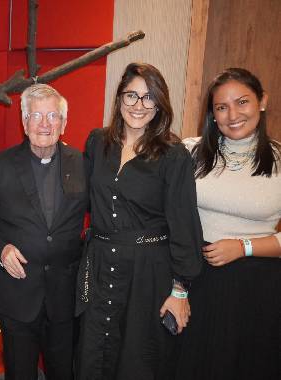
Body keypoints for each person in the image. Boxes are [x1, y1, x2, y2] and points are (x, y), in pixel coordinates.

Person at [75, 62, 203, 380]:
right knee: (92, 355)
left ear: (160, 104)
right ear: (119, 99)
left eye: (148, 98)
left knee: (138, 361)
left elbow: (184, 225)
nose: (138, 105)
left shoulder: (174, 155)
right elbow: (80, 199)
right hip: (101, 265)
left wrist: (181, 290)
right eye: (131, 95)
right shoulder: (97, 142)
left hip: (149, 273)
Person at [175, 68, 281, 380]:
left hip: (257, 286)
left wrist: (243, 247)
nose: (232, 115)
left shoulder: (278, 159)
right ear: (212, 113)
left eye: (242, 102)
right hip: (196, 280)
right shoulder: (188, 152)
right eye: (221, 107)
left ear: (262, 101)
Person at [0, 84, 86, 380]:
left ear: (64, 123)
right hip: (18, 292)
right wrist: (2, 250)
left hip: (64, 294)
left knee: (63, 372)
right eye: (36, 116)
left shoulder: (82, 164)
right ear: (24, 122)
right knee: (19, 373)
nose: (45, 123)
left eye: (53, 115)